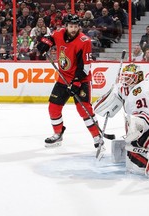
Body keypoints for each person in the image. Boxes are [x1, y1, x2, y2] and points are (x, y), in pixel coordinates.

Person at [94, 63, 149, 178]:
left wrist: (131, 138)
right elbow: (108, 101)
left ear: (138, 77)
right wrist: (113, 91)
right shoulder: (132, 87)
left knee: (134, 157)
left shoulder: (142, 92)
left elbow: (143, 122)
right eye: (125, 77)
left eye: (130, 77)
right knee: (134, 148)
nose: (126, 80)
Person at [36, 14, 104, 149]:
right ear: (66, 26)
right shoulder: (60, 33)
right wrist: (45, 44)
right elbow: (49, 38)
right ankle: (58, 133)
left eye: (76, 26)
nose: (73, 29)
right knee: (53, 107)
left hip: (81, 79)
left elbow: (85, 66)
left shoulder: (84, 41)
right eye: (71, 26)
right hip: (63, 78)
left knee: (83, 109)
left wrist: (77, 83)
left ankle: (97, 136)